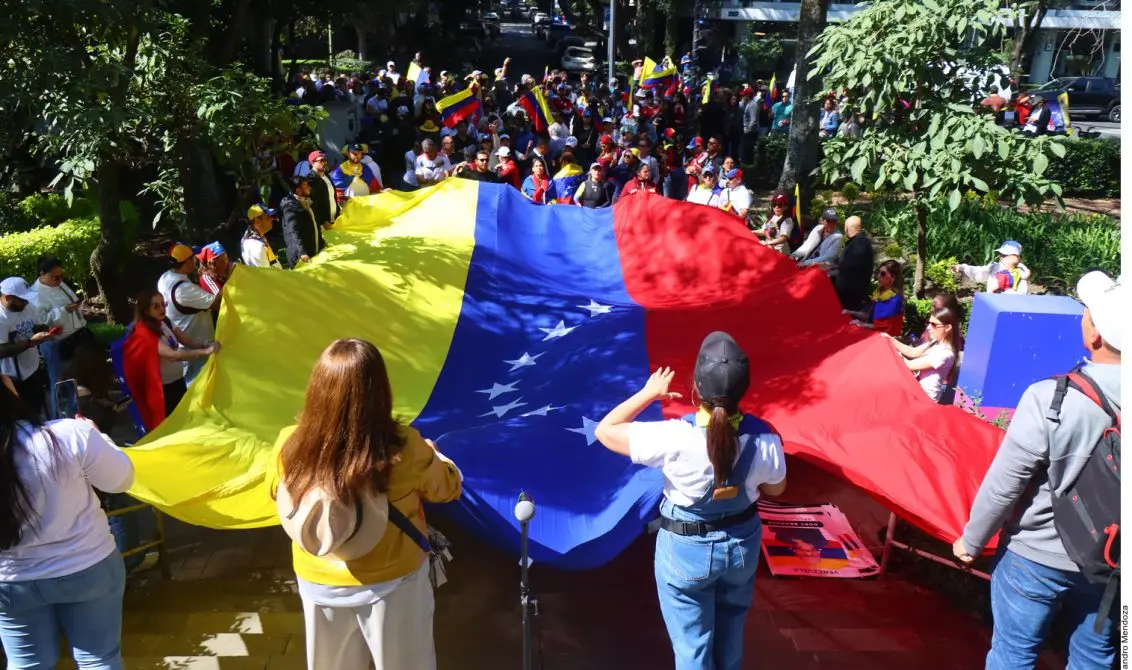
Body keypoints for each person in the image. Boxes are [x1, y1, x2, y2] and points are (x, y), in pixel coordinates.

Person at [954, 271, 1123, 669]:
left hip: (1037, 558)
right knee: (1096, 657)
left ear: (1094, 335)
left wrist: (971, 542)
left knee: (1013, 654)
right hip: (1116, 566)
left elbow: (1004, 485)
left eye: (1087, 313)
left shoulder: (1053, 399)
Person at [593, 332, 787, 670]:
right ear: (744, 388)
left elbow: (605, 430)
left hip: (686, 551)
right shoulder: (767, 438)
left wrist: (648, 393)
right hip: (742, 547)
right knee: (732, 628)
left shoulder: (673, 438)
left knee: (693, 646)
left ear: (696, 388)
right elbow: (776, 490)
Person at [273, 339, 462, 670]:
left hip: (316, 582)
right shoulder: (404, 449)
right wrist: (438, 457)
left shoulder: (289, 444)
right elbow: (448, 487)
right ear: (379, 392)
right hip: (393, 584)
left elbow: (276, 491)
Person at [0, 383, 135, 669]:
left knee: (27, 664)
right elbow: (120, 480)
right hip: (88, 565)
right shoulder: (69, 434)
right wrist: (101, 438)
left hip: (11, 583)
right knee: (99, 659)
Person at [121, 289, 219, 432]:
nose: (162, 309)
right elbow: (172, 355)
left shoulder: (164, 321)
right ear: (146, 310)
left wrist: (206, 344)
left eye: (163, 304)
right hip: (162, 390)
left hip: (178, 381)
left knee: (184, 422)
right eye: (156, 306)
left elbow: (187, 341)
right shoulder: (143, 332)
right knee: (170, 427)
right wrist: (205, 352)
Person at [30, 258, 94, 419]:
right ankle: (58, 416)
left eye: (61, 277)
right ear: (42, 274)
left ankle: (75, 413)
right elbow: (40, 321)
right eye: (55, 277)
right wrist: (63, 310)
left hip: (74, 337)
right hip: (56, 343)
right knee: (58, 381)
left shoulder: (59, 284)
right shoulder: (35, 295)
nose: (59, 280)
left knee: (73, 377)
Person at [157, 243, 220, 385]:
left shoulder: (166, 277)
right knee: (198, 385)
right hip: (195, 345)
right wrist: (230, 280)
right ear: (186, 262)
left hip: (185, 340)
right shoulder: (184, 289)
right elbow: (216, 303)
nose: (197, 259)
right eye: (193, 257)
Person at [885, 304, 960, 402]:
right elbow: (912, 352)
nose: (928, 328)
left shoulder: (945, 354)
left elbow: (909, 365)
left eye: (934, 325)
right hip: (917, 394)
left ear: (947, 327)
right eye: (928, 323)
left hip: (926, 400)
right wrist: (890, 340)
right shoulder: (934, 343)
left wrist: (893, 351)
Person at [0, 278, 54, 414]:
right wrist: (31, 342)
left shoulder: (27, 307)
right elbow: (2, 350)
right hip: (13, 376)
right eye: (22, 299)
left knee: (37, 408)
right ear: (8, 297)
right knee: (22, 416)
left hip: (33, 368)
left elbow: (32, 326)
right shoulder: (1, 317)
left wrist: (44, 329)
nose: (26, 302)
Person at [844, 260, 905, 337]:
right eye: (879, 273)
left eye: (883, 274)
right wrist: (850, 312)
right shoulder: (879, 292)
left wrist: (862, 324)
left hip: (884, 340)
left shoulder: (894, 300)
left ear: (893, 278)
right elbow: (869, 315)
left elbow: (884, 327)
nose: (878, 276)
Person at [952, 240, 1031, 295]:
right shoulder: (995, 267)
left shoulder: (1019, 271)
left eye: (1005, 255)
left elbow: (1022, 292)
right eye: (1001, 254)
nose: (1001, 256)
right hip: (993, 301)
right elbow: (980, 271)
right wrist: (961, 267)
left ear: (1016, 257)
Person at [830, 215, 874, 310]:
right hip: (850, 294)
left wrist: (834, 268)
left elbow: (852, 266)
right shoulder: (858, 242)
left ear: (847, 228)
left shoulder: (860, 243)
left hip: (852, 297)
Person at [281, 176, 325, 267]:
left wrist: (321, 243)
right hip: (302, 257)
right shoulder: (290, 208)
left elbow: (314, 225)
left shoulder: (308, 202)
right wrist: (302, 252)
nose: (309, 188)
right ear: (298, 191)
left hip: (314, 252)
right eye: (306, 186)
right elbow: (293, 232)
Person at [242, 204, 283, 269]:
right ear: (257, 221)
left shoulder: (258, 237)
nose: (272, 219)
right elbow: (265, 275)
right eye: (268, 217)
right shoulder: (254, 245)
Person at [306, 151, 341, 228]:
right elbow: (312, 203)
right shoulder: (310, 180)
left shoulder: (327, 176)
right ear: (312, 163)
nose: (325, 162)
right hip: (323, 225)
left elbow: (331, 196)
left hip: (334, 220)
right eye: (321, 160)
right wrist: (323, 221)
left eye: (325, 160)